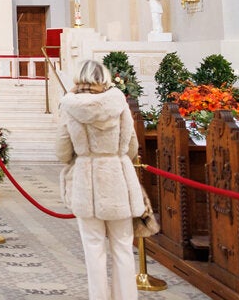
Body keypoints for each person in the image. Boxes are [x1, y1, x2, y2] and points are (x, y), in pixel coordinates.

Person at [56, 60, 144, 300]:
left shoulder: (70, 107)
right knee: (123, 248)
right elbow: (133, 146)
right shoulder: (119, 103)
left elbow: (62, 152)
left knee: (93, 250)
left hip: (87, 181)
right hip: (118, 178)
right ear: (104, 78)